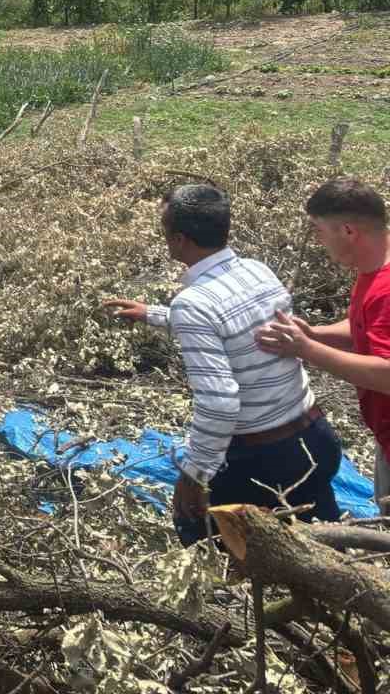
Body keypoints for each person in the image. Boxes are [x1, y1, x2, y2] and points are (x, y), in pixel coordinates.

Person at [106, 183, 341, 545]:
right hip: (315, 440)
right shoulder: (256, 271)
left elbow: (219, 403)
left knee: (199, 535)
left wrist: (194, 475)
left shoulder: (195, 303)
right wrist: (152, 314)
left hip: (264, 460)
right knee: (328, 551)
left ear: (180, 240)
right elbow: (233, 325)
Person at [256, 178, 390, 512]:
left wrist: (306, 349)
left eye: (318, 230)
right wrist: (316, 334)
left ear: (347, 231)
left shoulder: (386, 289)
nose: (317, 240)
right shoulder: (373, 269)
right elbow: (367, 329)